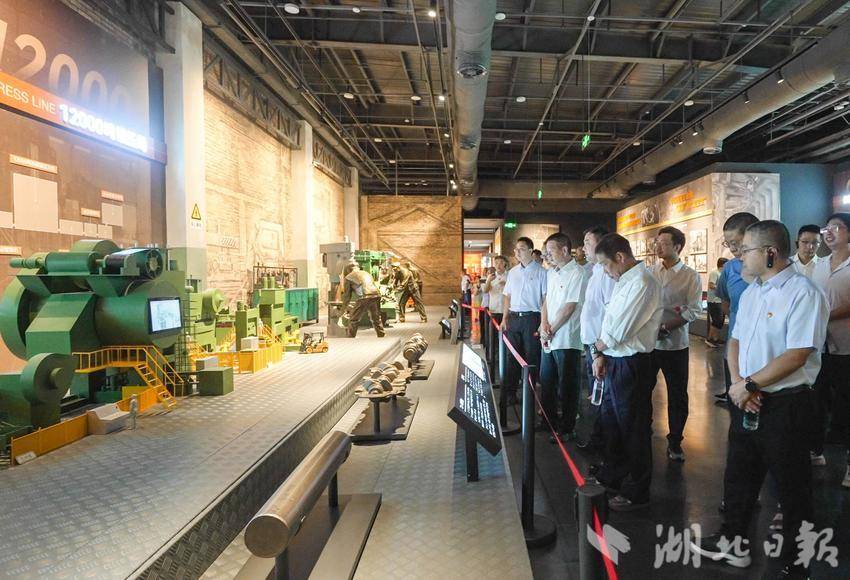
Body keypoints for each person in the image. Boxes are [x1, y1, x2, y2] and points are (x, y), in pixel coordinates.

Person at [691, 220, 828, 579]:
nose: (738, 258)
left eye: (745, 251)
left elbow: (797, 354)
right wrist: (741, 384)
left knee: (792, 487)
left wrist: (750, 384)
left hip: (787, 405)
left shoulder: (803, 293)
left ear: (770, 253)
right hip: (748, 398)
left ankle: (797, 563)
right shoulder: (754, 291)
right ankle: (732, 543)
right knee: (738, 476)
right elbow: (735, 340)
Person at [589, 234, 662, 511]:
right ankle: (614, 475)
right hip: (615, 359)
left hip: (632, 363)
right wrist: (601, 354)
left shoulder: (643, 282)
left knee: (633, 427)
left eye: (606, 265)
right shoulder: (625, 281)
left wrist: (596, 349)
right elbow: (609, 321)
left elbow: (620, 330)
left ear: (620, 257)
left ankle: (637, 489)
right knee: (612, 423)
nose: (605, 272)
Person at [648, 226, 703, 462]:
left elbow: (693, 310)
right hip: (649, 343)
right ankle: (644, 430)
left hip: (675, 344)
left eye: (663, 243)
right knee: (643, 389)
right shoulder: (651, 271)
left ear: (677, 247)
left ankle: (675, 440)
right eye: (657, 242)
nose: (658, 247)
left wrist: (667, 327)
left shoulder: (690, 276)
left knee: (677, 394)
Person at [539, 232, 589, 441]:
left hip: (567, 337)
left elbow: (570, 307)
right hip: (549, 336)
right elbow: (546, 302)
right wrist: (544, 325)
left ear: (565, 250)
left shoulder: (578, 273)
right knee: (547, 381)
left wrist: (551, 329)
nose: (547, 256)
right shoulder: (551, 273)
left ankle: (567, 428)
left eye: (551, 251)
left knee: (568, 385)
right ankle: (548, 421)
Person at [811, 213, 850, 478]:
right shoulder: (820, 265)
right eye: (827, 227)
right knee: (817, 401)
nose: (829, 232)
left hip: (846, 346)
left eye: (837, 227)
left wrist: (824, 316)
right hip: (819, 345)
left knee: (846, 405)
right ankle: (815, 450)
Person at [577, 226, 616, 451]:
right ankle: (597, 437)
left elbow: (610, 313)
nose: (583, 248)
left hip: (601, 345)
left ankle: (603, 444)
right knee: (596, 393)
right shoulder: (595, 271)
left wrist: (599, 350)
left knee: (603, 394)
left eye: (587, 242)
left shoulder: (607, 274)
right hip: (592, 342)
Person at [714, 212, 760, 403]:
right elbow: (726, 303)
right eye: (728, 244)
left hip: (764, 355)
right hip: (736, 350)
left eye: (736, 243)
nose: (732, 249)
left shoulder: (774, 272)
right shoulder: (730, 268)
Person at [502, 237, 547, 403]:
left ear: (530, 251)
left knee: (531, 357)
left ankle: (530, 394)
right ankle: (510, 394)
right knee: (512, 356)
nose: (517, 252)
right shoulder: (513, 272)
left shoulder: (542, 272)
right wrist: (505, 318)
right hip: (514, 318)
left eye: (521, 249)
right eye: (516, 249)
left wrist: (543, 322)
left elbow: (545, 300)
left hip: (532, 319)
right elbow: (507, 296)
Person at [340, 260, 385, 338]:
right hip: (376, 295)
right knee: (376, 318)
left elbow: (347, 296)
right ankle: (381, 334)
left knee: (353, 319)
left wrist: (343, 308)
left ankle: (350, 337)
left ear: (348, 269)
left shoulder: (349, 277)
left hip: (364, 297)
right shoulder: (366, 273)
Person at [705, 257, 729, 348]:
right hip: (714, 301)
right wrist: (722, 289)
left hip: (720, 300)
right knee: (717, 320)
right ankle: (709, 339)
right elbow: (711, 285)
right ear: (723, 265)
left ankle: (715, 338)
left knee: (720, 321)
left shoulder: (722, 274)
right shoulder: (714, 273)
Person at [484, 257, 508, 328]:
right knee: (493, 332)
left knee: (505, 332)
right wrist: (489, 281)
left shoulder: (509, 276)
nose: (498, 265)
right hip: (494, 309)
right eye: (496, 263)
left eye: (501, 263)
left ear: (505, 264)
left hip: (506, 310)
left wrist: (506, 285)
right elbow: (485, 291)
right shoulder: (491, 276)